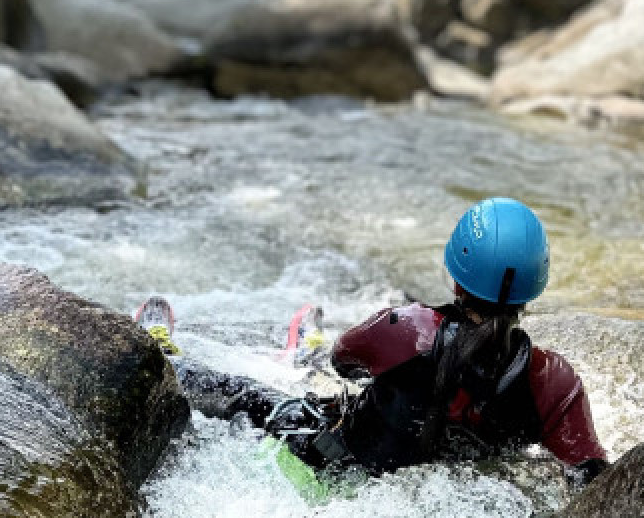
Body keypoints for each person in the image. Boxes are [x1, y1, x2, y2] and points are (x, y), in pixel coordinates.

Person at [177, 197, 609, 484]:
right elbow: (589, 473)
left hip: (334, 473)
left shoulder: (407, 328)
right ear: (536, 284)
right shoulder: (555, 382)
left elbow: (344, 361)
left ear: (456, 273)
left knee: (247, 396)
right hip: (437, 505)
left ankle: (166, 361)